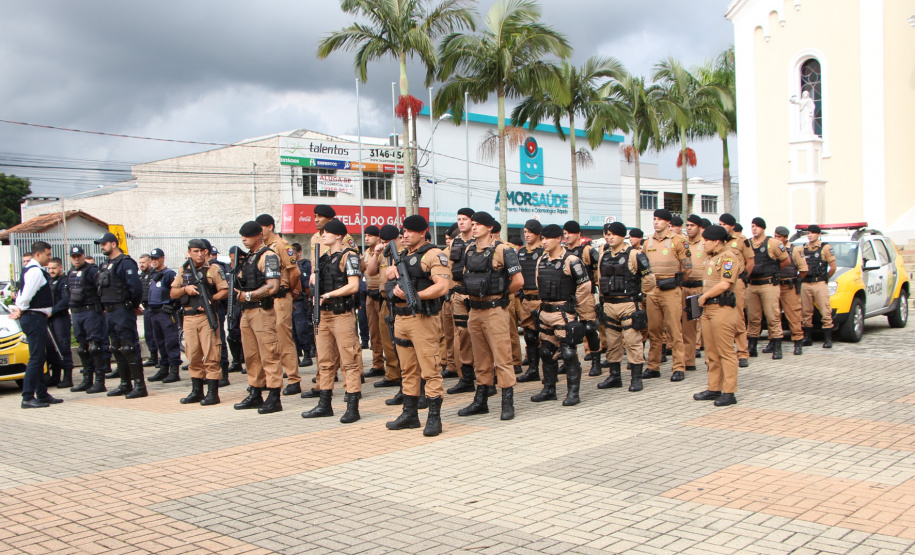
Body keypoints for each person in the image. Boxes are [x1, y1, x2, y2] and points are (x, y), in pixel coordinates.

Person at [383, 215, 451, 436]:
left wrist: (416, 296)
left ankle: (434, 419)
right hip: (401, 318)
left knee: (431, 370)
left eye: (410, 231)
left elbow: (442, 287)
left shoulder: (434, 254)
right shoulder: (401, 255)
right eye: (403, 231)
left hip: (422, 319)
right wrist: (389, 272)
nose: (404, 235)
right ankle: (410, 415)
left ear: (422, 233)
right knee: (407, 370)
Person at [458, 211, 523, 420]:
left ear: (488, 227)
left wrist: (502, 295)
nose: (473, 227)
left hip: (495, 310)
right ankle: (481, 401)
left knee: (502, 357)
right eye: (473, 224)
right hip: (475, 310)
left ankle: (507, 401)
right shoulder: (469, 249)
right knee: (481, 359)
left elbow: (519, 281)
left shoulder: (503, 250)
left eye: (478, 224)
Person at [302, 218, 364, 423]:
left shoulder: (350, 256)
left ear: (338, 235)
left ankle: (352, 407)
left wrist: (327, 296)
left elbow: (353, 286)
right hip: (324, 315)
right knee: (325, 362)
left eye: (327, 232)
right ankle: (324, 404)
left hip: (341, 314)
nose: (323, 235)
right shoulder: (323, 258)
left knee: (349, 361)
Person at [530, 224, 595, 405]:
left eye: (547, 238)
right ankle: (549, 389)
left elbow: (585, 286)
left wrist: (573, 305)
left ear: (559, 238)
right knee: (545, 351)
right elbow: (538, 283)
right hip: (545, 312)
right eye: (542, 238)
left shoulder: (571, 260)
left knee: (568, 353)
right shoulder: (542, 260)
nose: (544, 242)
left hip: (563, 314)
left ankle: (573, 393)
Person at [595, 222, 656, 392]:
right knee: (612, 343)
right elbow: (600, 279)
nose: (610, 237)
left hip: (628, 303)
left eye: (613, 234)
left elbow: (649, 279)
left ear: (623, 236)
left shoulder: (635, 255)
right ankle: (614, 376)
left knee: (632, 341)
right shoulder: (603, 255)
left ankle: (636, 378)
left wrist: (641, 297)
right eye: (607, 234)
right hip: (609, 304)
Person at [233, 221, 284, 414]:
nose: (244, 239)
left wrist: (247, 295)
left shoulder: (268, 256)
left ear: (259, 235)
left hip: (262, 311)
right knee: (251, 356)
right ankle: (255, 391)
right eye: (242, 236)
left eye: (247, 235)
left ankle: (273, 396)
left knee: (269, 354)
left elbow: (273, 286)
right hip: (246, 312)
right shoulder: (248, 258)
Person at [171, 239, 229, 406]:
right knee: (193, 355)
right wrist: (185, 289)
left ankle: (212, 393)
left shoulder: (214, 269)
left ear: (206, 252)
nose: (198, 254)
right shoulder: (184, 270)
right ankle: (197, 391)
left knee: (211, 355)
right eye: (194, 251)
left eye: (201, 251)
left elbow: (224, 290)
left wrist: (210, 300)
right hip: (189, 317)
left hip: (206, 318)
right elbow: (173, 292)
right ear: (189, 252)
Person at [11, 242, 63, 408]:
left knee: (40, 356)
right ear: (38, 254)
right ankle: (27, 396)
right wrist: (21, 309)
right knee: (36, 358)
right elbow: (24, 297)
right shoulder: (35, 272)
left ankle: (42, 394)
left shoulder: (32, 270)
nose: (49, 258)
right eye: (47, 255)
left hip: (34, 317)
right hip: (33, 317)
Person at [256, 214, 303, 396]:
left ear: (270, 227)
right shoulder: (264, 248)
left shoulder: (282, 245)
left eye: (261, 228)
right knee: (269, 339)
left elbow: (295, 272)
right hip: (266, 298)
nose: (259, 232)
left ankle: (293, 379)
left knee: (284, 339)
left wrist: (288, 291)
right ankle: (271, 378)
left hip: (281, 296)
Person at [693, 225, 740, 407]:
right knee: (711, 352)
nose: (703, 244)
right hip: (708, 310)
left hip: (722, 308)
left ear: (717, 241)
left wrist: (704, 296)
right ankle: (714, 388)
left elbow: (725, 284)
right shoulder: (711, 258)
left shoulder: (728, 258)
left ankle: (729, 392)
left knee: (726, 352)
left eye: (706, 241)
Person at [642, 209, 691, 382]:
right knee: (654, 330)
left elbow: (687, 267)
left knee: (674, 330)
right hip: (653, 291)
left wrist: (676, 282)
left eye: (660, 220)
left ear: (668, 223)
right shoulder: (648, 242)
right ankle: (653, 366)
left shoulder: (678, 241)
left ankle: (679, 367)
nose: (656, 222)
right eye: (654, 219)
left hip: (671, 290)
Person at [95, 232, 146, 398]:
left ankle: (139, 386)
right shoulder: (106, 264)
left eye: (104, 244)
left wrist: (132, 305)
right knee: (116, 348)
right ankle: (125, 384)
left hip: (122, 310)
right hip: (110, 311)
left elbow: (135, 287)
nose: (102, 247)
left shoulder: (125, 263)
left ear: (113, 244)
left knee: (129, 347)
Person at [562, 220, 603, 376]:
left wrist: (598, 291)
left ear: (578, 234)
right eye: (565, 233)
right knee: (566, 330)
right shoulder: (562, 251)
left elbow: (596, 271)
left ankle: (596, 361)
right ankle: (570, 361)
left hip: (586, 295)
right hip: (568, 296)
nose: (567, 236)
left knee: (589, 328)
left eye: (569, 233)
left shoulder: (588, 250)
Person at [746, 217, 790, 359]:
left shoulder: (773, 243)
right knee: (753, 317)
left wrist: (774, 271)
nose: (754, 229)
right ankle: (752, 347)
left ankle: (777, 346)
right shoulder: (748, 243)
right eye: (752, 226)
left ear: (763, 228)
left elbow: (786, 260)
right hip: (752, 284)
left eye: (757, 226)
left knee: (773, 316)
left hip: (768, 284)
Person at [66, 247, 109, 393]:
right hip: (77, 312)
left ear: (83, 256)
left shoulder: (91, 270)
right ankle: (87, 379)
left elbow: (101, 288)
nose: (76, 259)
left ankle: (99, 381)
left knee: (95, 347)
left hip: (91, 311)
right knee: (82, 348)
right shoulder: (70, 272)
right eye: (74, 256)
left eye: (79, 256)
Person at [444, 208, 477, 394]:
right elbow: (449, 267)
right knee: (462, 335)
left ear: (473, 222)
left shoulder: (480, 241)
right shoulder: (455, 242)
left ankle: (485, 377)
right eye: (459, 219)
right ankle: (466, 378)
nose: (461, 222)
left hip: (475, 295)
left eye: (465, 219)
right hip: (458, 294)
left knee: (479, 336)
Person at [719, 213, 755, 367]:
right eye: (719, 224)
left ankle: (742, 353)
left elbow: (750, 261)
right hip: (719, 283)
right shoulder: (716, 241)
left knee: (738, 317)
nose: (722, 227)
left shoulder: (741, 241)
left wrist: (743, 277)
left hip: (736, 282)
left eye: (724, 224)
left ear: (732, 226)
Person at [145, 248, 182, 383]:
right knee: (159, 341)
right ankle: (163, 368)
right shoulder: (153, 274)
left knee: (170, 341)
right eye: (152, 259)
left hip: (165, 313)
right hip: (154, 313)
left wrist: (172, 305)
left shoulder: (168, 274)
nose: (154, 261)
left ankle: (173, 370)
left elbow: (175, 292)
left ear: (162, 258)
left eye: (156, 258)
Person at [772, 226, 808, 355]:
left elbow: (803, 269)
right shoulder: (773, 249)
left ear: (785, 238)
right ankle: (773, 341)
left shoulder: (794, 250)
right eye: (775, 236)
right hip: (775, 285)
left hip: (789, 286)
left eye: (779, 237)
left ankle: (798, 341)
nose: (777, 239)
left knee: (793, 315)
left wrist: (798, 280)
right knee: (774, 316)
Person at [516, 219, 544, 383]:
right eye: (525, 232)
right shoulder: (521, 252)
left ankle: (550, 372)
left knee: (547, 337)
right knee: (529, 336)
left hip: (541, 299)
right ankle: (533, 370)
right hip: (526, 299)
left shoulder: (544, 251)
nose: (526, 235)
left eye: (530, 232)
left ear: (538, 234)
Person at [801, 224, 837, 348]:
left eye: (812, 233)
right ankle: (807, 337)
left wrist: (825, 278)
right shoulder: (803, 248)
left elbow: (833, 267)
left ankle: (827, 339)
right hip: (806, 283)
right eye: (808, 233)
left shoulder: (825, 248)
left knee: (825, 310)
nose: (810, 235)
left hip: (819, 282)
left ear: (818, 234)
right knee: (806, 311)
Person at [681, 215, 706, 372]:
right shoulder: (682, 243)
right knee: (688, 327)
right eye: (687, 225)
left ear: (699, 227)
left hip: (702, 287)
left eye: (692, 225)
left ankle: (711, 361)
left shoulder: (706, 243)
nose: (689, 228)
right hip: (686, 287)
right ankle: (689, 361)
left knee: (707, 326)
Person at [361, 226, 386, 378]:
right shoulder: (366, 253)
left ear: (378, 237)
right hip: (369, 294)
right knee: (374, 332)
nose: (367, 238)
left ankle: (391, 365)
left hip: (381, 294)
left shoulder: (382, 251)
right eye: (365, 236)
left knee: (385, 332)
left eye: (370, 236)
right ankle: (377, 364)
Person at [46, 257, 75, 389]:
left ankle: (67, 378)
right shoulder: (49, 281)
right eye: (50, 268)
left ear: (60, 268)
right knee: (51, 349)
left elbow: (65, 300)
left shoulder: (64, 282)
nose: (51, 271)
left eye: (54, 268)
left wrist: (52, 311)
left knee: (63, 348)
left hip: (60, 318)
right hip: (49, 319)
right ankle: (55, 377)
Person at [290, 243, 314, 368]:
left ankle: (307, 355)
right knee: (291, 331)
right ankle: (295, 356)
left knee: (301, 329)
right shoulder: (288, 266)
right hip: (290, 301)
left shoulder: (304, 265)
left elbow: (307, 287)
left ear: (298, 253)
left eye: (293, 253)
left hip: (300, 301)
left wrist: (308, 300)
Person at [226, 246, 245, 373]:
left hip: (242, 303)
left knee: (244, 334)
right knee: (232, 334)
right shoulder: (227, 270)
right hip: (231, 305)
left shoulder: (243, 268)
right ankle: (236, 361)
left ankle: (245, 360)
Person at [138, 254, 159, 369]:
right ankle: (153, 357)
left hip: (154, 307)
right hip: (146, 307)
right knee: (149, 334)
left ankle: (160, 358)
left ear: (149, 262)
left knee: (156, 334)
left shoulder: (154, 274)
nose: (141, 265)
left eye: (143, 262)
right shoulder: (141, 276)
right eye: (140, 263)